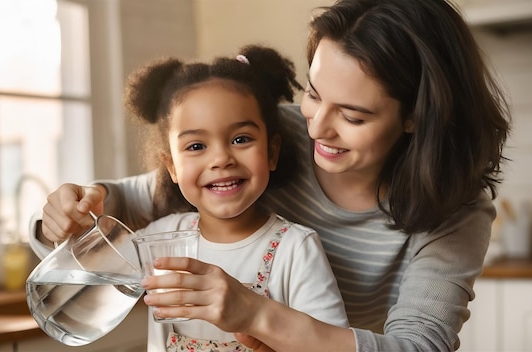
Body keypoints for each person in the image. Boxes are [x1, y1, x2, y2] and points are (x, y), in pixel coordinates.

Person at [33, 0, 511, 351]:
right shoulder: (267, 134)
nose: (318, 127)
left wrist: (258, 314)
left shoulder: (455, 207)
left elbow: (421, 346)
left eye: (353, 115)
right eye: (316, 93)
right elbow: (133, 198)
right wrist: (75, 206)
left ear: (416, 117)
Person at [32, 44, 349, 352]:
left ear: (272, 152)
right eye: (196, 146)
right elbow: (83, 265)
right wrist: (66, 223)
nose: (221, 159)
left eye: (240, 139)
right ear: (170, 166)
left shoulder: (296, 250)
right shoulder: (156, 242)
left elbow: (332, 344)